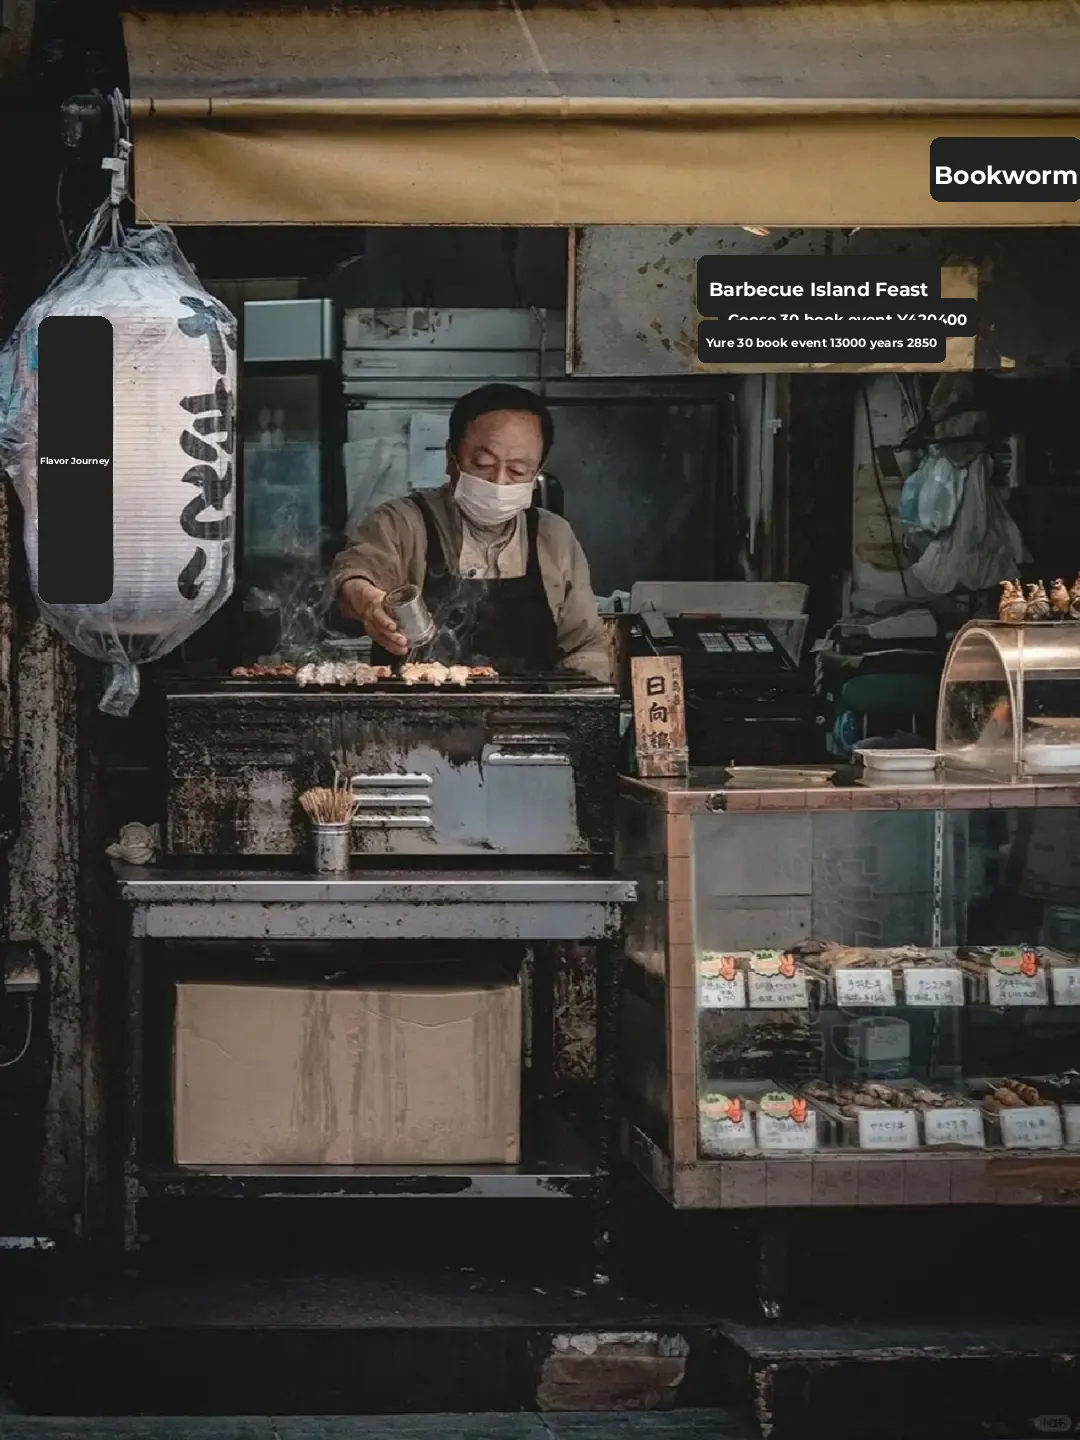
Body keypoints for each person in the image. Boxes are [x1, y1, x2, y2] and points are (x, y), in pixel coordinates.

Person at [330, 384, 608, 679]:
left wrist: (581, 699)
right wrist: (369, 602)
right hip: (415, 715)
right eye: (483, 464)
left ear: (537, 470)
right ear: (452, 458)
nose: (499, 482)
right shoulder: (402, 523)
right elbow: (354, 576)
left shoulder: (553, 537)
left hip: (528, 720)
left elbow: (585, 644)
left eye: (517, 470)